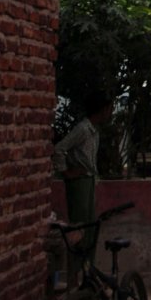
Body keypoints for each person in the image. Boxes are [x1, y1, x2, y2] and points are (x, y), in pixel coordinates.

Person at [52, 89, 113, 260]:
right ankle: (75, 272)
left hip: (89, 181)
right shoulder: (83, 129)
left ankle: (87, 270)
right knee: (79, 230)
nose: (110, 113)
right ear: (102, 109)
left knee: (90, 228)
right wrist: (66, 172)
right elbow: (59, 148)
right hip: (79, 182)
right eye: (109, 109)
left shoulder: (94, 131)